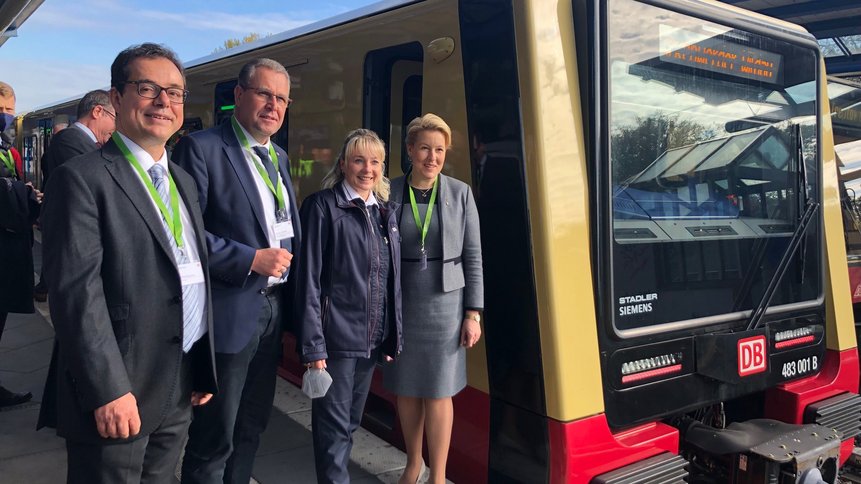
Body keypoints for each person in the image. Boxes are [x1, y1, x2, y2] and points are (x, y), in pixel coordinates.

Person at [36, 43, 217, 484]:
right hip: (121, 389)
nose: (164, 102)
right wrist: (109, 389)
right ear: (116, 99)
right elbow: (76, 295)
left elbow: (188, 272)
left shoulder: (183, 181)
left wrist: (200, 367)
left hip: (178, 379)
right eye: (148, 88)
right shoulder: (82, 179)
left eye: (174, 93)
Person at [175, 58, 301, 484]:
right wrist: (249, 258)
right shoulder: (203, 149)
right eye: (265, 94)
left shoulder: (278, 156)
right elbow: (184, 237)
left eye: (281, 98)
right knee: (215, 434)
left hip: (272, 309)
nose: (273, 105)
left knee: (252, 426)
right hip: (230, 311)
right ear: (239, 96)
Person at [294, 128, 403, 484]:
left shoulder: (383, 214)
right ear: (343, 165)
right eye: (359, 160)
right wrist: (313, 347)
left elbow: (387, 281)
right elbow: (307, 280)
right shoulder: (323, 207)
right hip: (334, 343)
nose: (367, 169)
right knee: (332, 431)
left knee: (349, 425)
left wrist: (388, 335)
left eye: (375, 162)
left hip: (368, 344)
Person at [383, 113, 483, 484]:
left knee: (440, 391)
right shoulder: (386, 191)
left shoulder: (460, 193)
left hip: (446, 305)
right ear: (410, 150)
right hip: (400, 302)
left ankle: (438, 475)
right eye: (424, 147)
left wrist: (473, 313)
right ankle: (414, 463)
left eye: (439, 149)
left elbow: (473, 255)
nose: (432, 156)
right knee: (407, 389)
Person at [34, 89, 116, 302]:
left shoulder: (83, 142)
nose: (115, 127)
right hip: (71, 235)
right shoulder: (71, 140)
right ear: (98, 111)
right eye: (114, 117)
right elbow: (98, 181)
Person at [0, 80, 41, 408]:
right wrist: (24, 195)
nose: (5, 116)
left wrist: (24, 194)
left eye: (8, 110)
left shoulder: (7, 149)